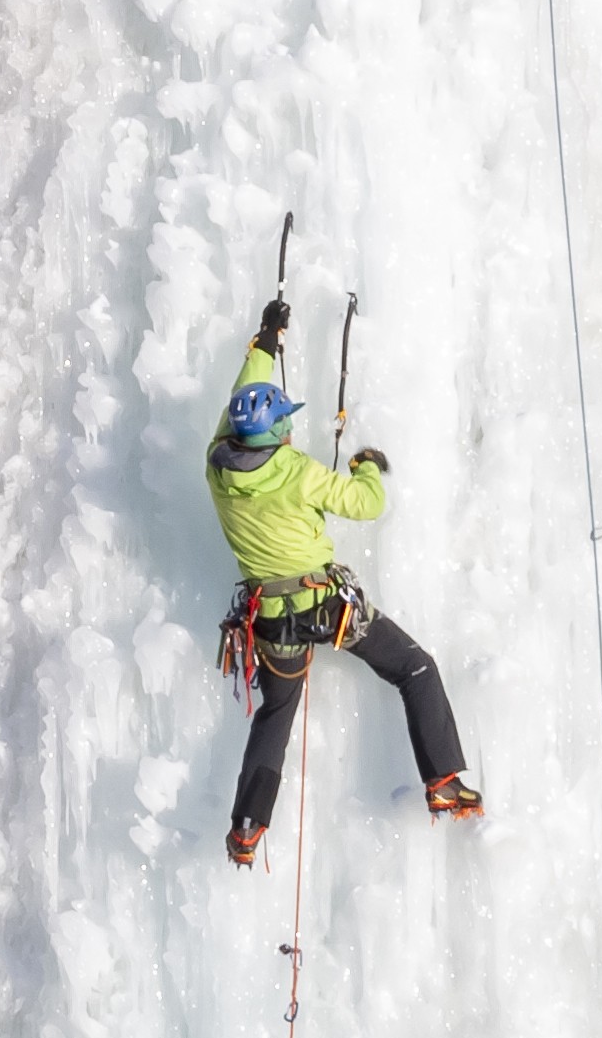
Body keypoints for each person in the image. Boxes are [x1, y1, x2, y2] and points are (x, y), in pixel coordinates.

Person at [204, 291, 477, 867]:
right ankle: (444, 781)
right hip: (327, 609)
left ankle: (248, 827)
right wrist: (368, 465)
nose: (288, 431)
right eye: (284, 424)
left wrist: (265, 341)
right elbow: (365, 504)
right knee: (416, 667)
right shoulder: (298, 473)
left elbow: (237, 403)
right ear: (276, 435)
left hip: (268, 624)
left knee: (275, 714)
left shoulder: (217, 464)